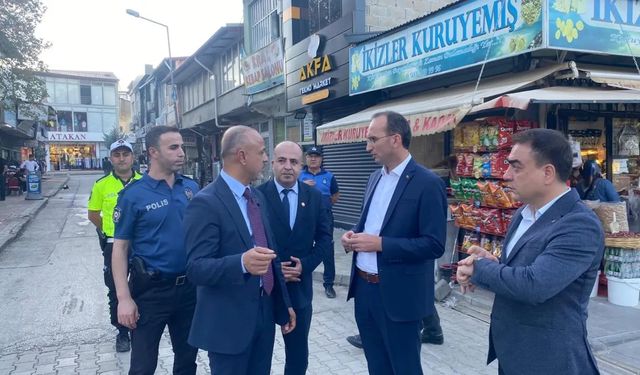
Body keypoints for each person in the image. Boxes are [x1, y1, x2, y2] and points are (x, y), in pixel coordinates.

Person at [456, 129, 604, 375]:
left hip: (551, 360)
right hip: (514, 352)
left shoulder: (579, 224)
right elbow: (519, 271)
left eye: (516, 167)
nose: (505, 175)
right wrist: (490, 263)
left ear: (548, 173)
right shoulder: (523, 214)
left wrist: (480, 269)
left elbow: (535, 285)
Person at [183, 125, 296, 375]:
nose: (266, 158)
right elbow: (196, 268)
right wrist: (242, 263)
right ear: (242, 156)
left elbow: (271, 254)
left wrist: (283, 302)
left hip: (263, 314)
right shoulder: (205, 203)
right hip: (228, 324)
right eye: (262, 152)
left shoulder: (256, 197)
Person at [341, 111, 447, 375]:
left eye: (372, 139)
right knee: (376, 366)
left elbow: (434, 244)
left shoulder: (427, 183)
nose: (367, 147)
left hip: (399, 295)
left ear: (395, 139)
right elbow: (370, 224)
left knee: (405, 368)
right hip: (364, 290)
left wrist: (381, 245)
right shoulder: (375, 178)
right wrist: (352, 235)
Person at [111, 126, 200, 375]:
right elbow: (120, 249)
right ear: (153, 152)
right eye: (173, 147)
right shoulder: (133, 195)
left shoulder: (191, 188)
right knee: (143, 366)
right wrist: (124, 298)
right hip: (151, 293)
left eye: (181, 146)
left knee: (187, 362)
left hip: (189, 291)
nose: (181, 152)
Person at [257, 141, 332, 375]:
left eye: (293, 162)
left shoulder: (315, 197)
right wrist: (272, 268)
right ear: (272, 163)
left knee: (298, 358)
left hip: (299, 288)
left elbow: (324, 238)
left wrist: (305, 266)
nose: (287, 167)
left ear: (302, 165)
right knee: (259, 357)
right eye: (281, 161)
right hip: (265, 290)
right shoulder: (256, 196)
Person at [87, 139, 142, 353]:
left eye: (125, 154)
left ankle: (140, 325)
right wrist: (108, 231)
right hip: (113, 245)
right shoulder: (101, 185)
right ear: (111, 159)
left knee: (143, 284)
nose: (122, 158)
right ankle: (122, 332)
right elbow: (93, 214)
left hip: (140, 245)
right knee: (115, 290)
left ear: (133, 157)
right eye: (117, 155)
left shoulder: (144, 182)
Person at [299, 146, 340, 298]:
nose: (313, 158)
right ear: (306, 158)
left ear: (321, 159)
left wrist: (324, 206)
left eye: (316, 156)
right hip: (304, 217)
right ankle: (302, 277)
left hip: (325, 218)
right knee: (304, 247)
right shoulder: (299, 175)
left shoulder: (329, 176)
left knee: (327, 250)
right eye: (310, 156)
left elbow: (335, 196)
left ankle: (329, 284)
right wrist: (302, 186)